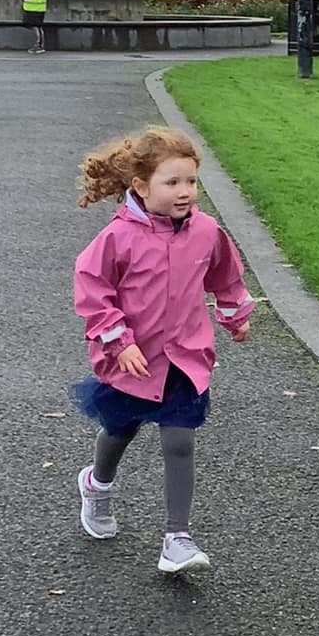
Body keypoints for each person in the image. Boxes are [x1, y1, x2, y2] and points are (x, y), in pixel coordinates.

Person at [72, 126, 254, 574]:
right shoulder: (119, 237)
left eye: (191, 181)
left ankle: (177, 537)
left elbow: (225, 277)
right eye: (172, 183)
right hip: (133, 359)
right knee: (120, 430)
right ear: (141, 186)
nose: (185, 192)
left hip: (185, 357)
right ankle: (97, 484)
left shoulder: (206, 232)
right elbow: (93, 288)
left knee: (179, 440)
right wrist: (118, 340)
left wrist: (234, 315)